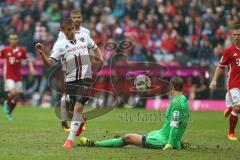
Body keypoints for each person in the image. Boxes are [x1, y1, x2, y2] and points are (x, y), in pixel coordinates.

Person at [35, 18, 103, 148]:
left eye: (72, 28)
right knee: (69, 111)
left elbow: (95, 47)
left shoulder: (84, 37)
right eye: (68, 30)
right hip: (71, 80)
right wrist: (42, 53)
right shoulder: (59, 45)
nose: (71, 31)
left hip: (86, 78)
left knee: (78, 107)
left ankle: (69, 141)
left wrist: (100, 59)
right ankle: (81, 120)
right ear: (62, 30)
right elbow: (49, 63)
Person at [80, 76, 190, 150]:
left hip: (163, 140)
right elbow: (182, 124)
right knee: (148, 134)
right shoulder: (183, 100)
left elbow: (175, 124)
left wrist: (170, 144)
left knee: (128, 138)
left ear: (172, 87)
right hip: (161, 134)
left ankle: (95, 144)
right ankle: (119, 140)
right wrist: (177, 142)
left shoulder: (176, 103)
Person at [58, 10, 91, 132]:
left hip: (83, 70)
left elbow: (89, 48)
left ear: (81, 18)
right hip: (68, 70)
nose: (76, 19)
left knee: (80, 99)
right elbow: (59, 49)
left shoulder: (86, 32)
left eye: (78, 17)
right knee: (66, 99)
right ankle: (73, 119)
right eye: (74, 17)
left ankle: (73, 122)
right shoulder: (62, 34)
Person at [210, 24, 240, 140]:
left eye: (239, 34)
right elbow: (220, 66)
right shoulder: (229, 51)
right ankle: (231, 133)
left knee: (236, 108)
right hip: (234, 84)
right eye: (235, 35)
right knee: (238, 108)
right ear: (232, 36)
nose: (237, 37)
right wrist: (214, 80)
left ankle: (230, 107)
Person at [0, 33, 35, 121]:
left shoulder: (21, 50)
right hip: (8, 75)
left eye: (15, 39)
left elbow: (28, 60)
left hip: (18, 76)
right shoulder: (5, 50)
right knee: (13, 93)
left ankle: (9, 114)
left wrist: (31, 68)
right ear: (9, 40)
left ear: (17, 40)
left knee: (15, 99)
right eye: (12, 39)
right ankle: (6, 102)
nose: (13, 41)